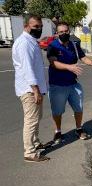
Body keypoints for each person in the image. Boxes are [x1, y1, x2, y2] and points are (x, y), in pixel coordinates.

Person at [47, 22, 92, 144]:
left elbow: (82, 57)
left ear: (69, 31)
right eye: (61, 32)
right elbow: (53, 62)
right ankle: (58, 132)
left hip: (73, 84)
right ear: (57, 33)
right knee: (57, 111)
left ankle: (79, 129)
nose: (64, 33)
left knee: (79, 108)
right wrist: (69, 67)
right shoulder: (52, 46)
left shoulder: (74, 45)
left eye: (66, 31)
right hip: (57, 85)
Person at [12, 15, 51, 163]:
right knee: (31, 120)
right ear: (26, 26)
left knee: (37, 118)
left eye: (40, 26)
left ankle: (35, 143)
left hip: (36, 88)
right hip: (29, 89)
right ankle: (29, 152)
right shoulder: (24, 43)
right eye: (35, 27)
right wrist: (35, 90)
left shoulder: (31, 41)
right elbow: (27, 69)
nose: (39, 29)